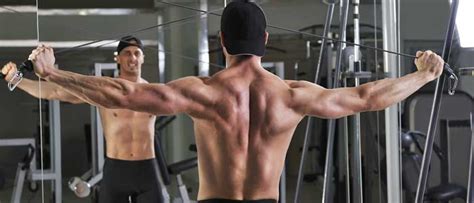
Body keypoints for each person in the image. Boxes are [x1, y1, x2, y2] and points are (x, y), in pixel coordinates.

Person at [27, 1, 445, 202]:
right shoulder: (292, 95)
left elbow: (126, 93)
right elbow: (367, 97)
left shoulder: (204, 92)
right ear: (264, 42)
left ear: (221, 41)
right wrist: (424, 74)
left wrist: (53, 72)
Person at [2, 36, 165, 203]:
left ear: (143, 57)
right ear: (117, 57)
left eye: (137, 53)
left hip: (147, 168)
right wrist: (17, 80)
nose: (133, 58)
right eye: (127, 53)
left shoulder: (153, 92)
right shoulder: (105, 90)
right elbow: (55, 92)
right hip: (117, 169)